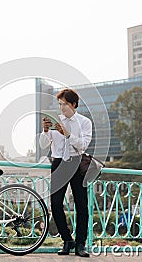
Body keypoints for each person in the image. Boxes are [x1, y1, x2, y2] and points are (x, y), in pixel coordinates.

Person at [39, 88, 92, 257]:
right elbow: (42, 145)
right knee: (55, 204)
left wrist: (67, 134)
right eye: (60, 104)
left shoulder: (84, 122)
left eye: (65, 104)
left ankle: (80, 244)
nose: (62, 108)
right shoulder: (55, 122)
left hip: (76, 163)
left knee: (81, 205)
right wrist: (46, 131)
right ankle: (67, 240)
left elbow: (83, 145)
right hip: (58, 163)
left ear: (74, 104)